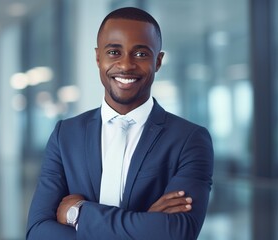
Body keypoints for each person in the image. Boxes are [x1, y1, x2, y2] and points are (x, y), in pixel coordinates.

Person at [26, 7, 213, 240]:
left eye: (141, 54)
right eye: (114, 52)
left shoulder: (189, 139)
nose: (126, 65)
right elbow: (37, 232)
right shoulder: (66, 134)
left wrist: (79, 214)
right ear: (98, 57)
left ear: (158, 61)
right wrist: (145, 222)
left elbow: (177, 232)